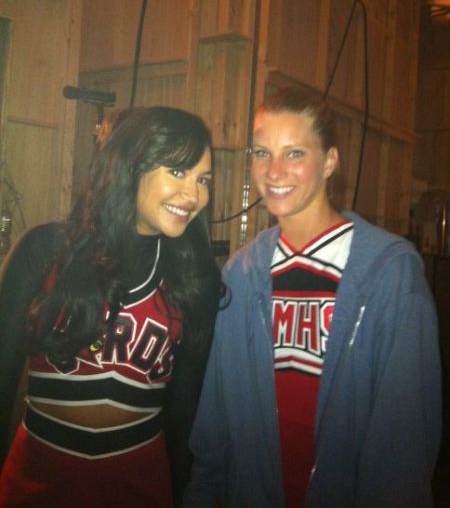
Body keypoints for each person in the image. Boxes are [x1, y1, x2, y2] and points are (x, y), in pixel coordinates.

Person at [184, 88, 442, 507]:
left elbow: (405, 442)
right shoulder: (242, 273)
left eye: (295, 153)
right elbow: (215, 419)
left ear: (329, 161)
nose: (274, 171)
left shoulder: (389, 274)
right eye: (262, 152)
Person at [0, 106, 223, 507]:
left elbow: (183, 413)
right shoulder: (46, 250)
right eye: (177, 171)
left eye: (202, 179)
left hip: (141, 486)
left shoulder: (193, 279)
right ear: (131, 165)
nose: (194, 196)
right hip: (35, 481)